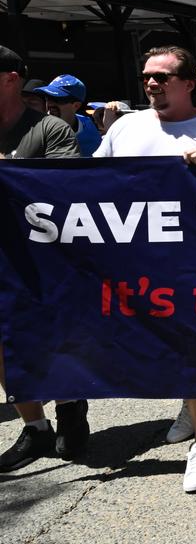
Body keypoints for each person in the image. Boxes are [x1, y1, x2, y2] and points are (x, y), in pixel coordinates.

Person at [95, 45, 196, 493]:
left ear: (187, 84)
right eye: (146, 77)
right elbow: (89, 183)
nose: (151, 83)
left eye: (161, 76)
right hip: (138, 263)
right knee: (165, 344)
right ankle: (189, 405)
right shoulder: (125, 127)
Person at [0, 47, 86, 474]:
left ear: (11, 79)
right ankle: (34, 426)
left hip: (40, 259)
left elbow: (63, 189)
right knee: (4, 345)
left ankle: (70, 404)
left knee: (51, 336)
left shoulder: (50, 128)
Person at [34, 74, 101, 156]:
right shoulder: (34, 126)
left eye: (57, 99)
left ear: (76, 105)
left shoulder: (89, 128)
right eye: (48, 97)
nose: (50, 104)